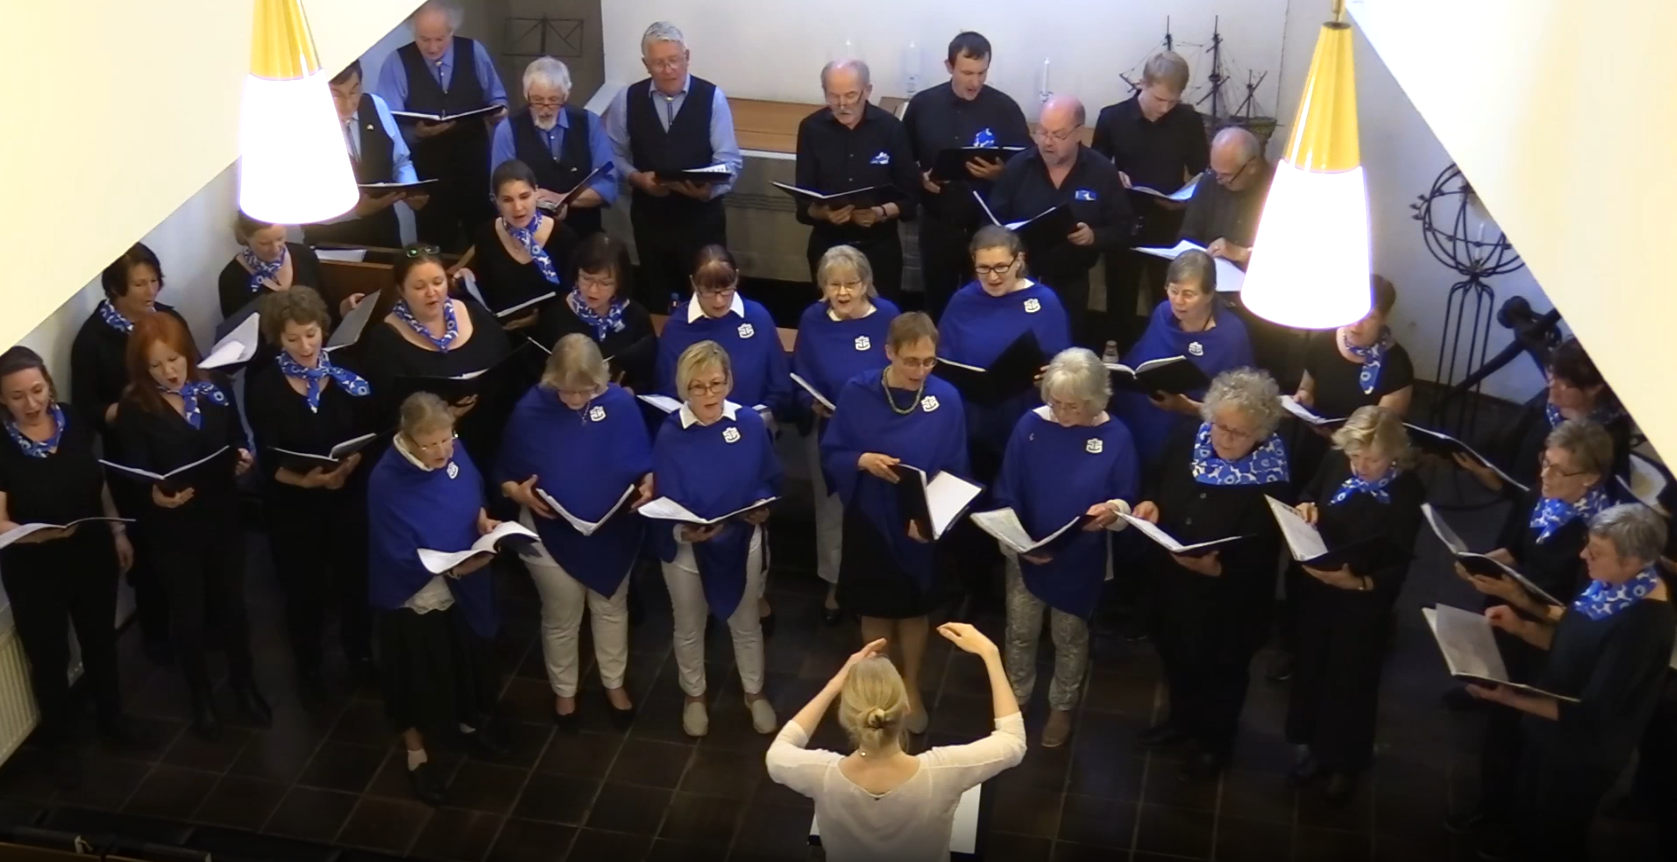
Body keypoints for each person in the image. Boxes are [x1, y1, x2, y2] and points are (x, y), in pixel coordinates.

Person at [1468, 504, 1675, 862]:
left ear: (1633, 561)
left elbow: (1592, 711)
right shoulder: (1610, 585)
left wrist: (1508, 697)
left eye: (1595, 552)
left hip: (1581, 751)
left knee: (1555, 835)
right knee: (1528, 810)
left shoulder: (1642, 626)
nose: (1582, 556)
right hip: (1548, 726)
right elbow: (1572, 641)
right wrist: (1520, 627)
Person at [1447, 419, 1616, 842]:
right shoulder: (1539, 497)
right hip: (1511, 621)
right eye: (1545, 461)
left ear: (1591, 478)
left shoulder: (1598, 536)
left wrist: (1518, 597)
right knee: (1501, 727)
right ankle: (1491, 807)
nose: (1544, 475)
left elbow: (1576, 615)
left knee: (1527, 740)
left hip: (1547, 644)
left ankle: (1513, 825)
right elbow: (1518, 550)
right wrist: (1485, 562)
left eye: (1559, 470)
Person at [114, 313, 266, 738]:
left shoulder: (214, 386)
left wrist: (242, 456)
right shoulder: (136, 407)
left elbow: (238, 436)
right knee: (189, 614)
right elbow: (136, 469)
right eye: (157, 365)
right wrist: (156, 495)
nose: (170, 372)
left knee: (233, 607)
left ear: (188, 353)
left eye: (175, 360)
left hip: (220, 514)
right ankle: (201, 696)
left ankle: (244, 683)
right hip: (174, 526)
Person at [1132, 368, 1289, 779]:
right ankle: (1181, 721)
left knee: (1221, 672)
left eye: (1237, 432)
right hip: (1172, 581)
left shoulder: (1272, 479)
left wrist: (1219, 567)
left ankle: (1215, 743)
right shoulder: (1188, 438)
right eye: (1219, 423)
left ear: (1261, 433)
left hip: (1229, 600)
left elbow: (1266, 547)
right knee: (1175, 655)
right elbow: (1156, 475)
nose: (1223, 437)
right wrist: (1150, 502)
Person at [0, 347, 146, 788]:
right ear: (2, 401)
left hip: (89, 549)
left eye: (38, 390)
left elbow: (96, 480)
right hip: (33, 564)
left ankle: (112, 720)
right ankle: (59, 741)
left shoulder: (71, 418)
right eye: (17, 397)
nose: (31, 404)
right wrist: (39, 534)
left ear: (49, 383)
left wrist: (118, 531)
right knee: (49, 654)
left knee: (100, 639)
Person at [764, 624, 1027, 862]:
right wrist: (990, 654)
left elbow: (780, 750)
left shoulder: (821, 775)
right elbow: (1013, 741)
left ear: (845, 714)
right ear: (907, 706)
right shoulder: (944, 772)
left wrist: (836, 683)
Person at [821, 313, 968, 733]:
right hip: (871, 513)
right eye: (911, 361)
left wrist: (931, 520)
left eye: (929, 361)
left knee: (913, 610)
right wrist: (861, 460)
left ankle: (912, 688)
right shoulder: (858, 391)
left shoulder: (948, 399)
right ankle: (877, 691)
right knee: (875, 608)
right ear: (889, 353)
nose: (920, 371)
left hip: (919, 519)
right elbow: (833, 451)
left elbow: (957, 468)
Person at [497, 335, 653, 728]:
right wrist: (517, 491)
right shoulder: (530, 409)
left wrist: (651, 482)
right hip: (550, 530)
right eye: (566, 391)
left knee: (611, 606)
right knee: (561, 613)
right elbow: (504, 474)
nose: (575, 400)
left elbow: (645, 462)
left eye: (585, 391)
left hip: (612, 528)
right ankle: (565, 692)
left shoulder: (619, 404)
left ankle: (614, 683)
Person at [366, 392, 509, 805]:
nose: (442, 451)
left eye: (447, 439)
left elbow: (470, 488)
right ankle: (417, 755)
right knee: (414, 677)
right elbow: (395, 548)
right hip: (415, 594)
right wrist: (457, 568)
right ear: (407, 439)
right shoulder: (386, 480)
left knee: (465, 660)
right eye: (429, 444)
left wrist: (481, 517)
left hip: (463, 585)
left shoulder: (454, 448)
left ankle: (468, 725)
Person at [994, 348, 1138, 748]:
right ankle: (1015, 702)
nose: (1060, 412)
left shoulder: (1117, 436)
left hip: (1081, 558)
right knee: (1020, 632)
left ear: (1095, 401)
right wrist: (1019, 543)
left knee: (1069, 636)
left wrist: (1113, 512)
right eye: (1054, 402)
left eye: (1071, 406)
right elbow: (1007, 490)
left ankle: (1062, 707)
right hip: (1027, 552)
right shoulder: (1030, 426)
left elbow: (1126, 499)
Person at [1286, 406, 1424, 806]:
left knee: (1351, 684)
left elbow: (1400, 560)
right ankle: (1315, 749)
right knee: (1315, 671)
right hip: (1319, 590)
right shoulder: (1335, 461)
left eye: (1373, 460)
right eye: (1355, 457)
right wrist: (1307, 506)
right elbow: (1311, 491)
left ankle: (1346, 763)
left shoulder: (1407, 491)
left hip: (1363, 602)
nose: (1361, 467)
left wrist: (1361, 583)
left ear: (1394, 455)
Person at [246, 288, 378, 704]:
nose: (305, 347)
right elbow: (266, 456)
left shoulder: (347, 371)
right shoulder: (265, 386)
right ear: (277, 340)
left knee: (354, 580)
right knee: (302, 590)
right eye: (292, 339)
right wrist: (307, 481)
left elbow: (369, 429)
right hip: (294, 504)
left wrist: (348, 466)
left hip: (347, 495)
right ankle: (309, 665)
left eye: (310, 335)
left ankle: (359, 654)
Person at [650, 341, 783, 737]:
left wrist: (763, 506)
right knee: (688, 624)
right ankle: (694, 695)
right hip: (688, 549)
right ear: (683, 388)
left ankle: (754, 692)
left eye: (716, 384)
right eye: (697, 387)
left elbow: (769, 478)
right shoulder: (671, 433)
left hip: (742, 539)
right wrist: (682, 530)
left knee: (746, 623)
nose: (709, 394)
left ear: (729, 381)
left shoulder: (748, 423)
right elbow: (661, 497)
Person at [938, 226, 1071, 614]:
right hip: (973, 423)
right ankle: (973, 588)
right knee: (972, 509)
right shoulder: (962, 301)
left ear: (1020, 261)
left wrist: (1047, 376)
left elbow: (1063, 365)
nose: (993, 277)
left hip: (1024, 424)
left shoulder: (1044, 302)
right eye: (983, 269)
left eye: (1001, 267)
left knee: (1017, 507)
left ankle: (1023, 593)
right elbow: (943, 357)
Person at [70, 244, 187, 663]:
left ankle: (198, 623)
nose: (150, 290)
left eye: (155, 280)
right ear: (116, 288)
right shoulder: (92, 341)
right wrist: (133, 405)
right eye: (139, 284)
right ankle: (158, 638)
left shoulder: (167, 318)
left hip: (179, 448)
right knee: (151, 553)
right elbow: (87, 411)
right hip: (135, 461)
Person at [792, 246, 900, 621]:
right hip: (829, 430)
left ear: (866, 284)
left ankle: (880, 578)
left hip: (879, 430)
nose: (841, 293)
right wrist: (811, 402)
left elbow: (901, 370)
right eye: (833, 285)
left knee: (878, 507)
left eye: (850, 284)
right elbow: (801, 373)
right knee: (831, 509)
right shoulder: (813, 319)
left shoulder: (887, 316)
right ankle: (835, 584)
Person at [606, 21, 744, 307]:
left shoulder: (712, 98)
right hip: (650, 223)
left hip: (702, 223)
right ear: (646, 64)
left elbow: (729, 161)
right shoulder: (627, 99)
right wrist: (636, 178)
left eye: (674, 60)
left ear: (687, 57)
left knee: (709, 299)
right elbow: (614, 155)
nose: (668, 70)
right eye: (659, 63)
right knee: (659, 301)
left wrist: (708, 191)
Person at [902, 32, 1031, 321]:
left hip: (987, 228)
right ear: (949, 66)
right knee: (939, 304)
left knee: (988, 306)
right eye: (967, 73)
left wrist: (1002, 173)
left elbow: (1028, 165)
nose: (975, 82)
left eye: (982, 73)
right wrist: (921, 177)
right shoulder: (923, 105)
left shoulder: (1004, 108)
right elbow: (903, 159)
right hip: (938, 224)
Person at [359, 244, 514, 479]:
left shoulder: (476, 313)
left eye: (438, 282)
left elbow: (508, 366)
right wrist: (439, 418)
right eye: (419, 287)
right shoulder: (384, 341)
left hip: (493, 438)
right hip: (432, 460)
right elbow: (386, 414)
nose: (432, 292)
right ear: (402, 290)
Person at [989, 95, 1132, 344]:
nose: (1047, 141)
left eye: (1058, 135)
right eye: (1041, 131)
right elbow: (992, 222)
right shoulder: (1018, 168)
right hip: (1021, 282)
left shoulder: (1101, 172)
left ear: (1079, 133)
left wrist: (1094, 236)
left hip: (1071, 285)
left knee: (1065, 356)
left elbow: (1124, 228)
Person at [1092, 51, 1210, 347]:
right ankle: (1119, 354)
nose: (1165, 108)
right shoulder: (1112, 117)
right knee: (1121, 293)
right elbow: (1092, 170)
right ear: (1141, 84)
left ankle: (1164, 355)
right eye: (1159, 99)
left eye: (1173, 101)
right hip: (1124, 219)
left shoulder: (1188, 121)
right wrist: (1112, 174)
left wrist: (1187, 198)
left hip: (1168, 220)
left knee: (1168, 296)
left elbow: (1203, 174)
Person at [376, 0, 509, 251]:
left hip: (476, 171)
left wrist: (498, 113)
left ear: (452, 31)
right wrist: (416, 132)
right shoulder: (397, 62)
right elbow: (386, 126)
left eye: (440, 38)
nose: (432, 47)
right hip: (429, 177)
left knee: (486, 242)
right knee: (435, 248)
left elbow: (497, 97)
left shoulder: (474, 51)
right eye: (424, 39)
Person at [1109, 250, 1254, 469]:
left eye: (1188, 294)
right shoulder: (1162, 313)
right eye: (1173, 290)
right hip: (1142, 415)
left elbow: (1241, 408)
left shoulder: (1231, 336)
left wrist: (1187, 407)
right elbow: (1136, 361)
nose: (1178, 301)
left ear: (1210, 293)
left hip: (1190, 434)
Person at [793, 59, 919, 301]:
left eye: (851, 95)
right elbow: (802, 201)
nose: (842, 105)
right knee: (829, 318)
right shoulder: (811, 128)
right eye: (833, 96)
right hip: (827, 245)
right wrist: (824, 213)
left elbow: (910, 196)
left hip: (879, 247)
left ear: (867, 91)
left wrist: (879, 212)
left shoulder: (890, 128)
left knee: (882, 319)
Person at [1457, 337, 1630, 498]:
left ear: (1594, 388)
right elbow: (1506, 435)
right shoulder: (1549, 403)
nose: (1551, 385)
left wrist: (1501, 488)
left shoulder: (1606, 438)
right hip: (1500, 482)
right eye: (1551, 374)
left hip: (1525, 509)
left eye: (1563, 384)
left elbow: (1579, 502)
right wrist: (1473, 458)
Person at [1289, 275, 1414, 487]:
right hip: (1313, 439)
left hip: (1357, 458)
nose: (1356, 326)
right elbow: (1306, 389)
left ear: (1384, 318)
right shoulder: (1322, 342)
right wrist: (1302, 399)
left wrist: (1341, 437)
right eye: (1353, 314)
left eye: (1369, 317)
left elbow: (1383, 434)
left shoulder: (1397, 366)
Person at [655, 245, 792, 419]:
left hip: (753, 428)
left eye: (727, 289)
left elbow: (780, 388)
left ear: (736, 278)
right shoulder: (676, 327)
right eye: (710, 292)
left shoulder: (758, 318)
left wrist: (758, 420)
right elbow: (667, 393)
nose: (719, 301)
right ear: (694, 284)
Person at [488, 56, 617, 239]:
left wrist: (563, 200)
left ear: (566, 95)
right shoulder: (508, 130)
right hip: (529, 238)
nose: (545, 109)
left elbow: (608, 184)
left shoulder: (589, 123)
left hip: (583, 234)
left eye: (554, 100)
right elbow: (499, 191)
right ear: (526, 95)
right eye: (538, 100)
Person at [304, 59, 421, 250]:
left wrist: (411, 188)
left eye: (354, 91)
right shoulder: (304, 127)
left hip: (384, 233)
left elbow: (400, 161)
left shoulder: (375, 105)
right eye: (336, 95)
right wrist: (356, 211)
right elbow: (305, 201)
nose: (348, 103)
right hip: (332, 241)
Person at [464, 159, 579, 340]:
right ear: (495, 201)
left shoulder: (564, 237)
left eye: (524, 196)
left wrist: (538, 318)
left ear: (536, 193)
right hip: (503, 336)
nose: (518, 208)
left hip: (553, 336)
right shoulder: (485, 235)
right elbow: (486, 294)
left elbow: (572, 296)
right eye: (507, 200)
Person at [546, 232, 658, 392]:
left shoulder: (637, 316)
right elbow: (542, 375)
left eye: (605, 283)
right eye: (586, 279)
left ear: (619, 283)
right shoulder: (555, 317)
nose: (593, 290)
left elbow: (649, 374)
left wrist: (628, 391)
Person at [1177, 126, 1272, 266]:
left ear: (1252, 166)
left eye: (1226, 175)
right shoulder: (1210, 181)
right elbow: (1189, 234)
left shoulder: (1279, 191)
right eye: (1215, 171)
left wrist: (1243, 254)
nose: (1218, 180)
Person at [217, 212, 328, 322]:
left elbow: (326, 308)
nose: (275, 249)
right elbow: (239, 333)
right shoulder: (231, 278)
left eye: (280, 238)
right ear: (245, 237)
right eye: (264, 243)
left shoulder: (304, 255)